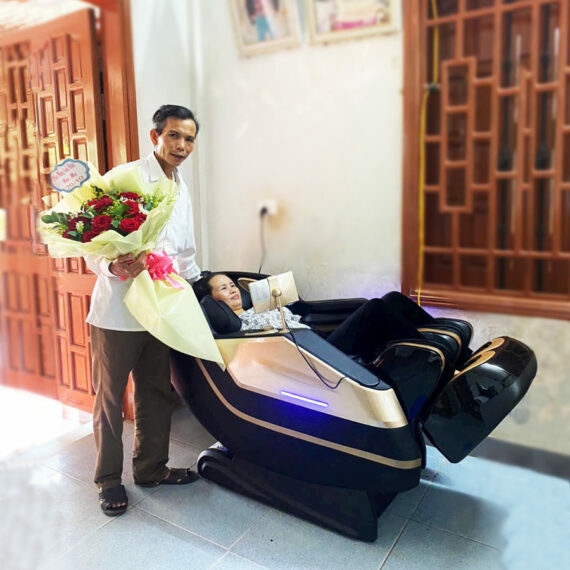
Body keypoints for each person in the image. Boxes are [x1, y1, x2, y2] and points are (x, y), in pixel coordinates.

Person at [85, 104, 202, 517]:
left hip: (160, 309)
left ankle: (152, 469)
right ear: (155, 137)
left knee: (155, 391)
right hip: (118, 311)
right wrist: (112, 267)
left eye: (189, 139)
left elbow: (185, 253)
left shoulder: (182, 188)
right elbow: (90, 242)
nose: (182, 145)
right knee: (110, 397)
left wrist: (201, 289)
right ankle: (108, 480)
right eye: (174, 136)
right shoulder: (124, 178)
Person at [197, 273, 435, 365]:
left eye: (232, 285)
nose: (232, 290)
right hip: (314, 354)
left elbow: (294, 307)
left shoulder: (255, 309)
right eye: (223, 288)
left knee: (392, 298)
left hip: (317, 337)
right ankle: (432, 357)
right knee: (374, 308)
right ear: (214, 300)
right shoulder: (241, 326)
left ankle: (445, 344)